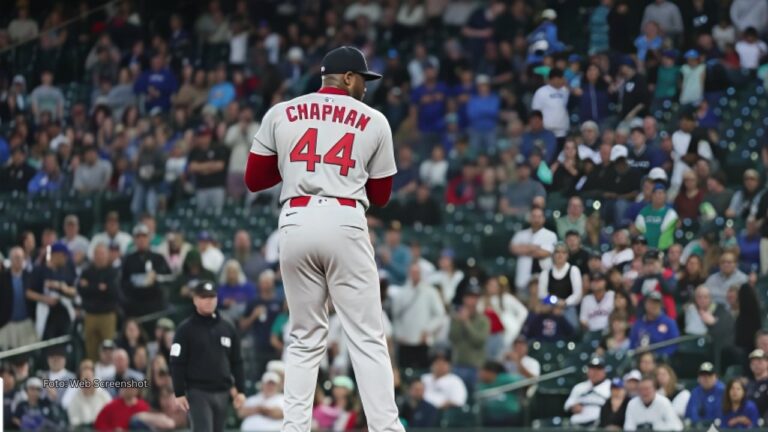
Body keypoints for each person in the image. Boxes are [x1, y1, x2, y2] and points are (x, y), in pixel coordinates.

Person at [170, 282, 246, 432]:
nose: (209, 300)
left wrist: (241, 389)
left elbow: (237, 361)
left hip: (223, 391)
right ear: (195, 300)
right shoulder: (185, 329)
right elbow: (177, 362)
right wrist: (179, 392)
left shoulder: (227, 327)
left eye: (212, 296)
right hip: (198, 391)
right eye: (204, 297)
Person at [78, 244, 120, 361]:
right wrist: (99, 288)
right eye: (97, 254)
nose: (99, 257)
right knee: (90, 349)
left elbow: (112, 292)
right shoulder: (87, 271)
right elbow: (81, 290)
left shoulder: (113, 272)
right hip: (90, 315)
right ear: (93, 256)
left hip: (107, 315)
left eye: (102, 254)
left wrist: (90, 287)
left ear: (107, 255)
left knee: (108, 347)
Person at [121, 224, 172, 317]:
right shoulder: (128, 259)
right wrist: (135, 282)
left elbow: (169, 278)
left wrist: (156, 277)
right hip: (134, 307)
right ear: (134, 240)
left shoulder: (158, 258)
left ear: (149, 238)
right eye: (138, 237)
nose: (141, 239)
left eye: (144, 236)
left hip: (155, 306)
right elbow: (122, 282)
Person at [510, 207, 557, 292]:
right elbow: (513, 249)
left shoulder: (551, 235)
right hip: (523, 280)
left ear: (543, 219)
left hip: (544, 282)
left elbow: (544, 253)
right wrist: (534, 248)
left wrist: (524, 249)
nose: (536, 219)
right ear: (530, 218)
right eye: (534, 216)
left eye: (539, 217)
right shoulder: (520, 234)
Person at [0, 247, 37, 350]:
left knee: (27, 354)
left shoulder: (30, 276)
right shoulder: (2, 278)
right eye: (16, 257)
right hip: (7, 324)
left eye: (21, 257)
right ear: (10, 259)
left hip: (27, 323)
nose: (19, 260)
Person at [629, 291, 680, 356]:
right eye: (651, 302)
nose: (654, 305)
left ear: (661, 305)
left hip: (661, 361)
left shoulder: (669, 323)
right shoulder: (638, 324)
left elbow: (674, 345)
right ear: (645, 304)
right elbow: (632, 345)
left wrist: (658, 356)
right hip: (640, 360)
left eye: (656, 303)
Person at [564, 356, 611, 426]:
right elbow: (567, 405)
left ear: (604, 371)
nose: (595, 372)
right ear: (588, 371)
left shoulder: (611, 386)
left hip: (599, 424)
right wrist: (573, 407)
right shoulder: (579, 387)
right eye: (592, 368)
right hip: (577, 424)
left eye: (598, 369)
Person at [477, 360, 523, 426]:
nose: (480, 374)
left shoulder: (504, 379)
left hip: (509, 416)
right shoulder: (482, 385)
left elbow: (522, 381)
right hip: (490, 417)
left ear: (490, 372)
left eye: (482, 371)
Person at [747, 349, 768, 418]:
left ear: (766, 363)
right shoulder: (749, 384)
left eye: (759, 362)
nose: (756, 365)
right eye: (753, 363)